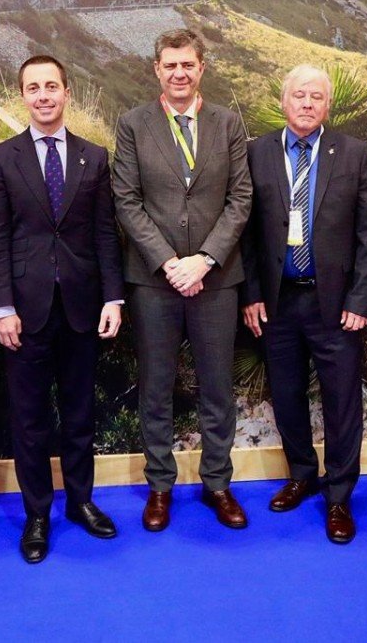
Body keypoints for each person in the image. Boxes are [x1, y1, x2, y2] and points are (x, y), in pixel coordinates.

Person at [0, 55, 123, 564]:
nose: (43, 95)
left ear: (67, 92)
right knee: (30, 419)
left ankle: (81, 501)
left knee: (81, 413)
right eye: (33, 88)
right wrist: (1, 308)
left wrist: (113, 296)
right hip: (25, 311)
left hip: (83, 308)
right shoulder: (1, 159)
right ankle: (37, 513)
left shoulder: (94, 156)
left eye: (52, 86)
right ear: (22, 96)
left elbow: (106, 233)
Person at [111, 29, 254, 532]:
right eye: (170, 65)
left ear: (201, 69)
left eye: (188, 65)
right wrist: (170, 262)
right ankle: (160, 486)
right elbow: (126, 200)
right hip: (155, 282)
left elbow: (241, 199)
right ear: (157, 69)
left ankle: (218, 484)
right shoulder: (133, 124)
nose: (179, 73)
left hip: (216, 282)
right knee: (156, 388)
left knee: (217, 387)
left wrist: (206, 260)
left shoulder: (228, 123)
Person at [240, 64, 367, 544]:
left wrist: (360, 299)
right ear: (284, 102)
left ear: (328, 105)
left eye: (316, 97)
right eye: (298, 95)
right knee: (287, 393)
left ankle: (339, 496)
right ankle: (302, 473)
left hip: (337, 304)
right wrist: (252, 293)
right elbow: (246, 233)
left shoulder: (356, 154)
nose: (306, 104)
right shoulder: (256, 152)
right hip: (277, 303)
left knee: (342, 402)